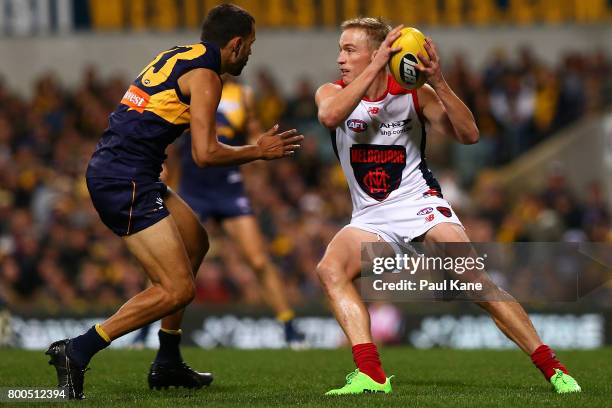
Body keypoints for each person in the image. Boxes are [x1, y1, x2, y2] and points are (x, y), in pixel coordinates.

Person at [46, 4, 303, 400]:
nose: (250, 52)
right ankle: (78, 350)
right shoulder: (207, 76)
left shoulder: (179, 54)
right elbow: (205, 154)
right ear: (234, 44)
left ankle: (167, 360)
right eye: (250, 44)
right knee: (178, 290)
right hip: (124, 179)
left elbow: (144, 112)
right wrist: (258, 151)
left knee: (196, 242)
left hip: (130, 172)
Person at [314, 17, 581, 395]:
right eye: (341, 49)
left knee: (473, 279)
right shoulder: (329, 91)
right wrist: (374, 67)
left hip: (418, 203)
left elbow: (469, 135)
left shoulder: (413, 95)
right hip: (371, 216)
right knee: (330, 270)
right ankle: (371, 375)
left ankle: (554, 368)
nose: (340, 57)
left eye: (349, 49)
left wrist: (438, 82)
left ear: (378, 53)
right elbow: (329, 116)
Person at [167, 74, 306, 347]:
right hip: (193, 189)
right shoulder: (192, 90)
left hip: (229, 188)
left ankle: (289, 326)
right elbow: (173, 140)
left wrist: (261, 142)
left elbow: (253, 132)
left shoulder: (243, 95)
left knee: (258, 260)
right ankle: (149, 329)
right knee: (172, 262)